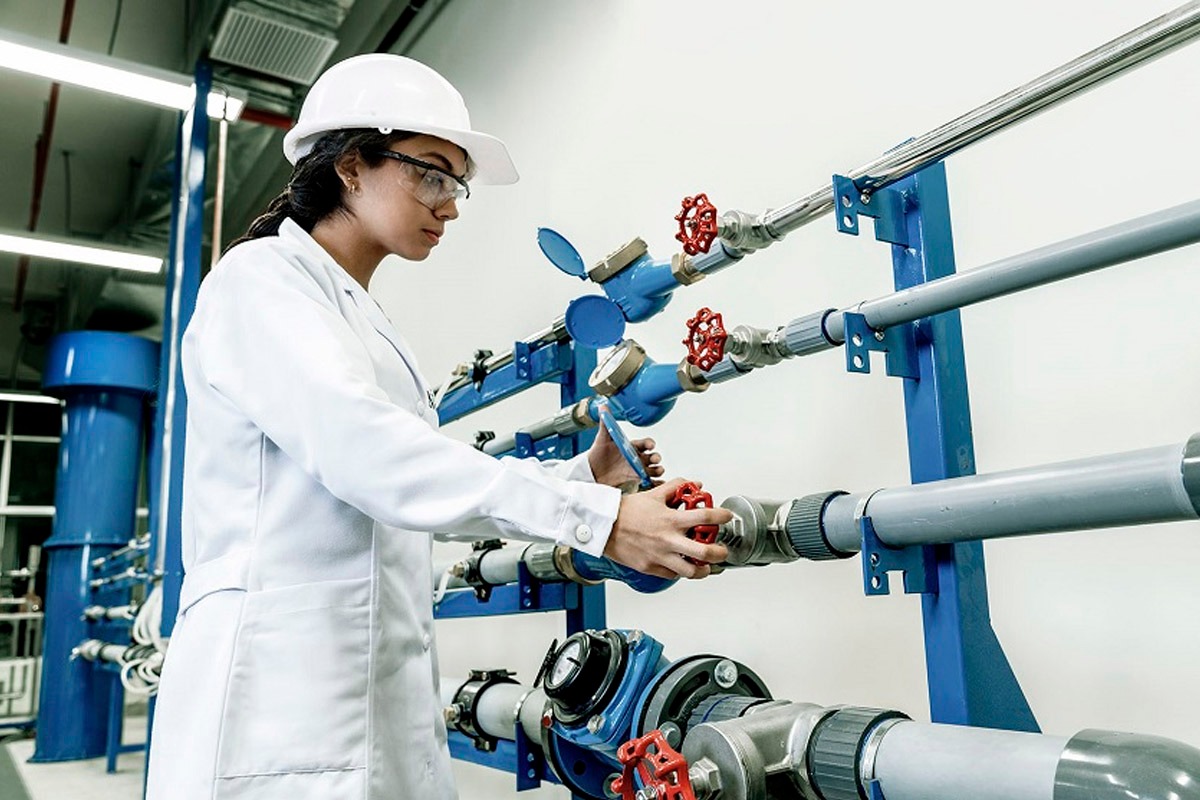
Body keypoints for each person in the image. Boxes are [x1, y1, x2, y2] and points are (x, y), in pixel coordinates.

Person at [145, 53, 730, 800]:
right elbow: (369, 454)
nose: (450, 206)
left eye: (458, 186)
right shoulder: (259, 282)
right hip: (277, 704)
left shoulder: (359, 317)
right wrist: (600, 520)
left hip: (371, 697)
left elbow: (413, 480)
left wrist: (585, 476)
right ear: (350, 166)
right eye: (433, 175)